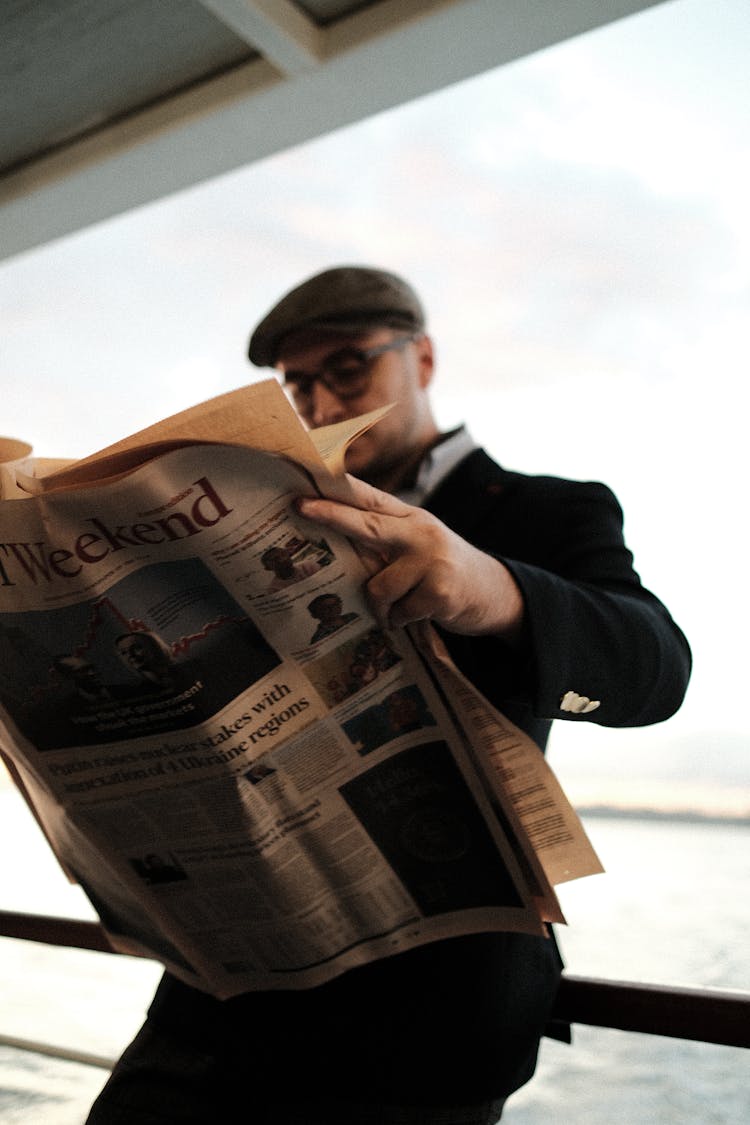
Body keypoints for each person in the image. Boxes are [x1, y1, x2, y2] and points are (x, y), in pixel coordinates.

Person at [86, 266, 692, 1124]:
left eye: (348, 369)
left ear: (425, 357)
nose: (322, 406)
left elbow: (656, 671)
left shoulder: (547, 511)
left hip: (425, 1021)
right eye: (297, 385)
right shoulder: (247, 515)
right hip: (223, 996)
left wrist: (495, 590)